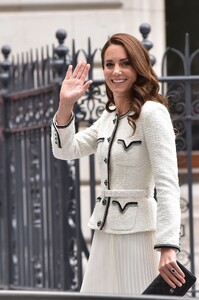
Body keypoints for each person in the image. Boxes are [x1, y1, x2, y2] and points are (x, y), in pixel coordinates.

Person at [51, 33, 186, 295]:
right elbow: (66, 150)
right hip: (104, 230)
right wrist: (65, 105)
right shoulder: (109, 116)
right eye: (109, 64)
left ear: (138, 67)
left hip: (139, 234)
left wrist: (168, 246)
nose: (116, 71)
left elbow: (168, 183)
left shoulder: (152, 113)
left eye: (125, 63)